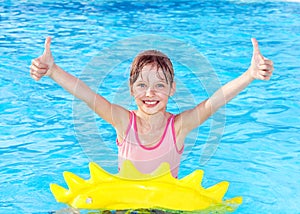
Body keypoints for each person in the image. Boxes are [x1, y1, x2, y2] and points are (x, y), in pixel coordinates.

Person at [30, 37, 274, 178]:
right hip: (123, 202)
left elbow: (214, 102)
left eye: (160, 85)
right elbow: (87, 95)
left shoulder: (178, 127)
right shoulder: (123, 122)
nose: (150, 93)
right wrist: (53, 71)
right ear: (131, 89)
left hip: (164, 205)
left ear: (172, 89)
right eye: (142, 85)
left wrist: (250, 75)